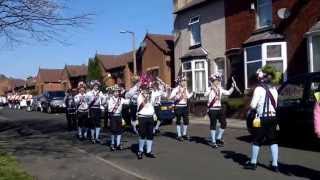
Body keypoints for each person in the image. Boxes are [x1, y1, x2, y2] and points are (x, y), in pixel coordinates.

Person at [244, 67, 279, 172]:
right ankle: (275, 164)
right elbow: (276, 104)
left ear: (260, 79)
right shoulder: (274, 89)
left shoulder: (258, 89)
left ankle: (253, 163)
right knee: (273, 140)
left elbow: (253, 105)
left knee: (257, 140)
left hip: (261, 118)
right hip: (273, 117)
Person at [204, 73, 235, 148]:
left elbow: (227, 93)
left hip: (219, 109)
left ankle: (218, 138)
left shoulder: (220, 88)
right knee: (213, 124)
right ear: (212, 81)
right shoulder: (209, 88)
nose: (217, 82)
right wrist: (211, 88)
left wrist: (232, 87)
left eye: (218, 80)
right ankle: (213, 141)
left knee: (224, 123)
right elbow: (205, 94)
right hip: (212, 109)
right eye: (215, 80)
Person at [136, 74, 157, 159]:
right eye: (144, 87)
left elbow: (164, 93)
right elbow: (128, 94)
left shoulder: (152, 95)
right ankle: (140, 151)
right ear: (141, 87)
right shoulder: (138, 95)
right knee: (142, 135)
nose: (145, 88)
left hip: (150, 117)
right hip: (142, 117)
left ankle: (148, 151)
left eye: (147, 87)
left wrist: (159, 83)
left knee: (150, 135)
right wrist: (138, 84)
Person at [169, 76, 193, 142]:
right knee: (178, 121)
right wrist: (177, 96)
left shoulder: (185, 89)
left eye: (185, 81)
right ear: (180, 82)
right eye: (183, 81)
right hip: (178, 106)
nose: (185, 82)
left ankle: (184, 134)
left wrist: (193, 93)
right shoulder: (176, 89)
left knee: (186, 121)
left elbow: (188, 97)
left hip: (185, 106)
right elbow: (170, 97)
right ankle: (179, 135)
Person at [108, 85, 129, 151]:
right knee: (113, 130)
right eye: (115, 92)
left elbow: (127, 101)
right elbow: (109, 109)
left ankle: (118, 144)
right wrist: (114, 107)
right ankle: (112, 144)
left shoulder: (121, 99)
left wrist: (131, 96)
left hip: (119, 116)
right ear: (113, 93)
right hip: (113, 116)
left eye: (117, 92)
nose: (116, 93)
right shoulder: (110, 99)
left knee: (119, 130)